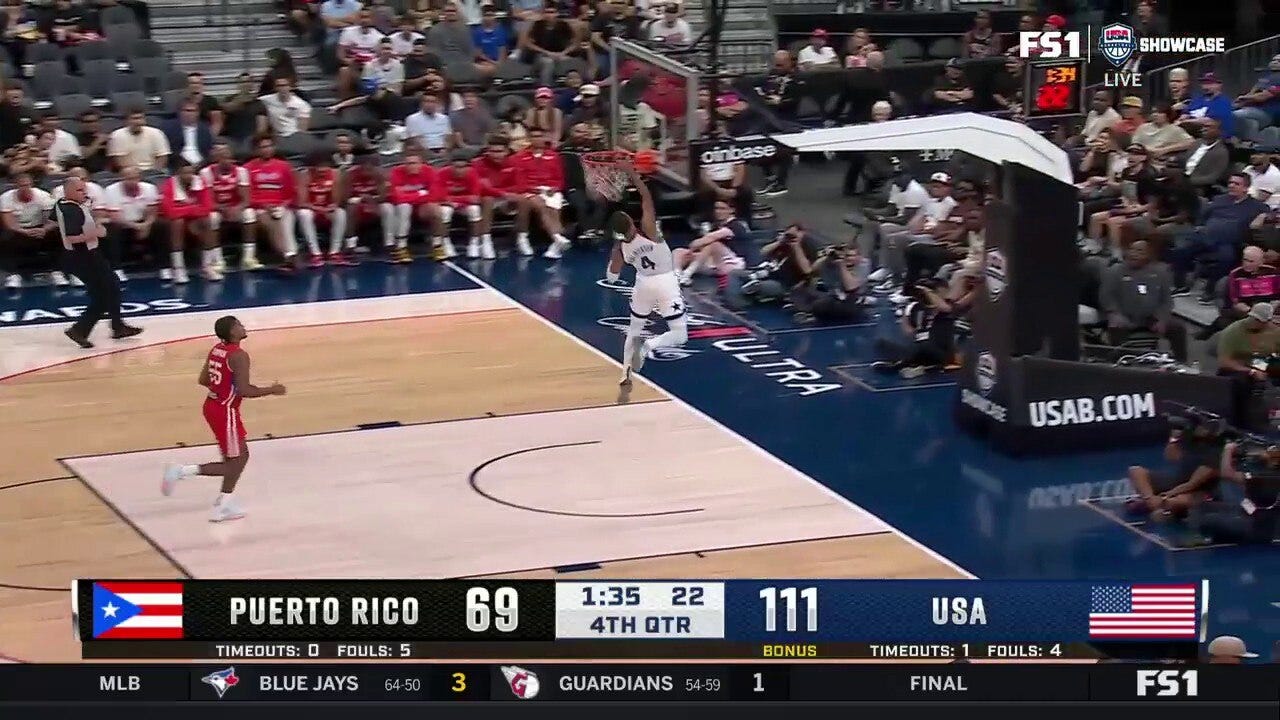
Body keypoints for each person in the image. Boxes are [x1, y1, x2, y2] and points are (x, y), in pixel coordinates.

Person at [161, 315, 287, 523]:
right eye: (238, 324)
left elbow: (203, 380)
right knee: (233, 463)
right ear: (231, 332)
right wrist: (272, 390)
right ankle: (182, 471)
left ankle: (225, 502)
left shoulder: (217, 349)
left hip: (213, 406)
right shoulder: (238, 355)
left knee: (240, 457)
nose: (243, 326)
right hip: (224, 410)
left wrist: (221, 387)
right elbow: (245, 390)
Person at [605, 165, 686, 386]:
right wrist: (632, 175)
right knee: (680, 335)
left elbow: (612, 278)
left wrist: (614, 258)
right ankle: (650, 345)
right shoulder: (648, 228)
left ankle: (625, 372)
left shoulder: (620, 248)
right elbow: (646, 197)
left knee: (634, 330)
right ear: (631, 222)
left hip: (642, 285)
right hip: (665, 282)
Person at [54, 177, 141, 347]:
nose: (84, 193)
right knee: (104, 294)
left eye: (84, 189)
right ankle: (80, 330)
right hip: (81, 257)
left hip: (88, 255)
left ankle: (117, 326)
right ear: (68, 192)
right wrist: (96, 233)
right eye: (79, 190)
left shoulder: (65, 205)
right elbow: (71, 237)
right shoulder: (71, 210)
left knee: (113, 286)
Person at [1126, 419, 1222, 520]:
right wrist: (1174, 438)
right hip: (1177, 482)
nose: (1197, 428)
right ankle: (1152, 503)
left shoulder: (1214, 454)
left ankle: (1161, 507)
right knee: (1135, 471)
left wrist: (1166, 496)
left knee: (1175, 501)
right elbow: (1170, 456)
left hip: (1199, 492)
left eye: (1201, 427)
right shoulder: (1192, 442)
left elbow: (1191, 484)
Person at [1216, 302, 1280, 427]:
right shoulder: (1233, 331)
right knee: (1242, 383)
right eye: (1254, 319)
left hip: (1261, 361)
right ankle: (1240, 422)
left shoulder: (1274, 331)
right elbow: (1224, 361)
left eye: (1260, 321)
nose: (1256, 322)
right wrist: (1251, 371)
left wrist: (1264, 365)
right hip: (1238, 366)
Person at [511, 126, 570, 259]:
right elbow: (519, 181)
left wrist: (554, 188)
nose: (537, 139)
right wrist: (534, 190)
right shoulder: (519, 157)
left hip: (550, 189)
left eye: (540, 136)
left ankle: (555, 246)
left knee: (554, 211)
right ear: (529, 139)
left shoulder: (554, 156)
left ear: (545, 138)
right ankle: (556, 237)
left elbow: (560, 178)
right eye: (534, 136)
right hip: (529, 191)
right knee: (541, 204)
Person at [200, 141, 260, 271]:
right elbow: (208, 200)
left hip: (235, 207)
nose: (226, 161)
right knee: (212, 218)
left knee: (249, 214)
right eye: (222, 158)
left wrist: (237, 208)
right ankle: (218, 260)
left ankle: (248, 258)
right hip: (217, 208)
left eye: (228, 158)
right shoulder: (206, 172)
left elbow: (246, 199)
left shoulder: (242, 171)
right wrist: (222, 209)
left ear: (233, 159)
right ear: (217, 159)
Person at [244, 135, 300, 272]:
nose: (267, 149)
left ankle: (291, 256)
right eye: (263, 147)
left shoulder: (284, 166)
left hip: (282, 205)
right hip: (259, 207)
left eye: (269, 146)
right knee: (272, 222)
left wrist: (283, 205)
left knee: (286, 221)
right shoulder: (247, 168)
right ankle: (287, 256)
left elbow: (291, 192)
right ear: (256, 149)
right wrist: (264, 206)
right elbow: (247, 195)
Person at [159, 161, 220, 283]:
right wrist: (193, 208)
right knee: (178, 223)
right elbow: (170, 212)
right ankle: (179, 268)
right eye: (185, 173)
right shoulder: (169, 185)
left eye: (191, 172)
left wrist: (183, 208)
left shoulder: (200, 181)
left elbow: (207, 207)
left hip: (193, 219)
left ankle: (207, 266)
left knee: (208, 220)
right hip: (171, 220)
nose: (189, 175)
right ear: (178, 173)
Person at [1208, 441, 1280, 544]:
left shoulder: (1265, 475)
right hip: (1264, 522)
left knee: (1211, 520)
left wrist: (1228, 449)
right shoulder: (1263, 472)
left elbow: (1227, 473)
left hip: (1256, 526)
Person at [102, 165, 161, 278]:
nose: (131, 181)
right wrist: (137, 226)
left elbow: (152, 212)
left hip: (142, 221)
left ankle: (165, 267)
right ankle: (117, 268)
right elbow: (115, 217)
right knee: (112, 229)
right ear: (121, 179)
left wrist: (146, 225)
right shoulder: (111, 190)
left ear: (139, 178)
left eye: (134, 178)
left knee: (162, 225)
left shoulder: (149, 188)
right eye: (127, 178)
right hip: (122, 224)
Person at [673, 198, 749, 286]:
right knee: (678, 251)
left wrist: (697, 244)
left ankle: (687, 274)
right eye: (716, 209)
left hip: (733, 263)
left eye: (722, 209)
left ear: (731, 210)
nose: (718, 211)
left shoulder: (736, 225)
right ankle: (677, 275)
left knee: (713, 244)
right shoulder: (716, 226)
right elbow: (697, 246)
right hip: (712, 261)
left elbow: (703, 241)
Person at [295, 150, 350, 265]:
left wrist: (331, 206)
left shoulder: (335, 174)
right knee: (303, 213)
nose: (322, 169)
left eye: (325, 166)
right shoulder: (305, 175)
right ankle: (315, 254)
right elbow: (301, 202)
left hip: (328, 210)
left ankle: (334, 252)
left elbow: (337, 201)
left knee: (340, 213)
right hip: (312, 209)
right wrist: (318, 209)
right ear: (312, 167)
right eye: (319, 166)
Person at [387, 149, 442, 260]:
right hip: (403, 206)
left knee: (436, 210)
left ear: (421, 163)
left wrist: (410, 196)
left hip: (422, 206)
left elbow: (434, 194)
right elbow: (396, 197)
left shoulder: (430, 171)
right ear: (404, 164)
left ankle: (437, 246)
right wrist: (419, 194)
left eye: (414, 163)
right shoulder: (396, 172)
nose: (411, 166)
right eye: (408, 163)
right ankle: (401, 248)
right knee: (404, 207)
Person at [472, 137, 522, 259]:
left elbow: (520, 184)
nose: (495, 155)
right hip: (485, 199)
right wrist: (503, 193)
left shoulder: (515, 162)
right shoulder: (477, 163)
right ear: (487, 151)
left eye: (499, 151)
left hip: (506, 198)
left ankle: (522, 237)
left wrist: (507, 193)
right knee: (487, 198)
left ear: (507, 151)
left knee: (524, 200)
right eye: (492, 151)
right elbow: (482, 187)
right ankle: (486, 240)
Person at [344, 154, 395, 257]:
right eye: (364, 166)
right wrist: (361, 199)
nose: (367, 169)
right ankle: (350, 245)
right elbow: (344, 197)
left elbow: (383, 196)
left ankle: (390, 244)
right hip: (355, 204)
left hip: (375, 203)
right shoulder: (350, 175)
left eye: (370, 166)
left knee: (388, 208)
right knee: (351, 208)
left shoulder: (380, 174)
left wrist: (372, 200)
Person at [437, 150, 483, 259]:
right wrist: (454, 201)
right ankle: (445, 242)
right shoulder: (442, 173)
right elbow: (439, 197)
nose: (459, 170)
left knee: (475, 210)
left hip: (462, 205)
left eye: (463, 167)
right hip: (448, 205)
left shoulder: (473, 173)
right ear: (451, 165)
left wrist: (455, 200)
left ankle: (474, 243)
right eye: (456, 167)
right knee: (445, 211)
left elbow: (475, 198)